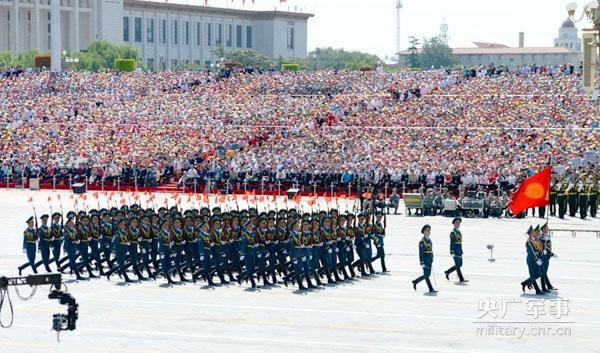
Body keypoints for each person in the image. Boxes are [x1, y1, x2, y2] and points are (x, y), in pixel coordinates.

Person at [412, 224, 437, 293]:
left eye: (429, 230)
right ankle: (431, 288)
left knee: (427, 274)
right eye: (427, 230)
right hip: (425, 260)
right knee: (427, 275)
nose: (428, 232)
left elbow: (431, 250)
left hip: (429, 260)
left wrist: (432, 258)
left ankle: (415, 281)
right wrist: (422, 262)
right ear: (423, 232)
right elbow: (421, 253)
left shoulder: (429, 240)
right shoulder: (422, 242)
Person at [520, 225, 544, 295]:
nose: (534, 233)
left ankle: (525, 283)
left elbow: (539, 249)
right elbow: (530, 252)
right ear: (530, 234)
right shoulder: (529, 242)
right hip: (531, 260)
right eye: (533, 232)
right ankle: (537, 290)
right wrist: (535, 259)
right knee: (533, 275)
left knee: (538, 274)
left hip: (538, 259)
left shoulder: (536, 240)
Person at [444, 217, 468, 283]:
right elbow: (452, 243)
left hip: (459, 250)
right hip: (455, 250)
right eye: (456, 223)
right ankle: (461, 278)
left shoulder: (458, 231)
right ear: (454, 224)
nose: (458, 224)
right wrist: (452, 251)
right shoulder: (453, 233)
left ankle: (448, 272)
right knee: (458, 264)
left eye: (459, 223)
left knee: (459, 264)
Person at [539, 223, 557, 291]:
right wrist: (551, 254)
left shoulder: (547, 237)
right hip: (543, 257)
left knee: (544, 272)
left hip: (547, 257)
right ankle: (544, 287)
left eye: (547, 229)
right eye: (545, 229)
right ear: (542, 230)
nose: (547, 230)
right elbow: (542, 247)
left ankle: (548, 286)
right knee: (543, 272)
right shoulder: (541, 238)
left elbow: (549, 247)